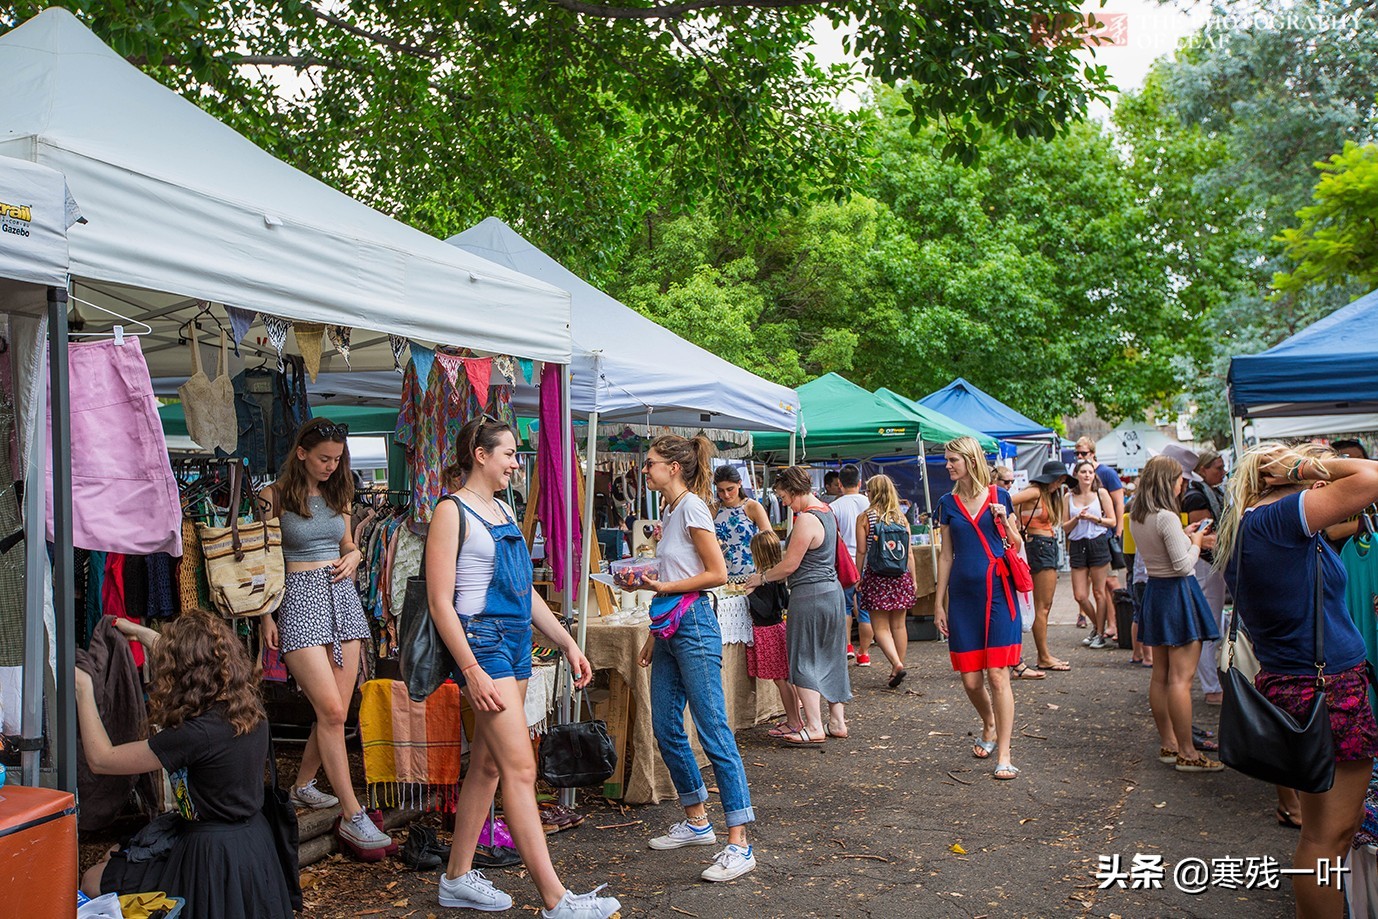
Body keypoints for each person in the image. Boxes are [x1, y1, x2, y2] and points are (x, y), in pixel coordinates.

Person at [426, 417, 619, 917]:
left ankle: (456, 878)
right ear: (480, 454)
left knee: (490, 765)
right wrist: (469, 669)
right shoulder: (452, 511)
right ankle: (556, 900)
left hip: (514, 643)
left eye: (516, 453)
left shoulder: (504, 508)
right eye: (509, 453)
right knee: (521, 768)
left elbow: (524, 592)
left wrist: (566, 643)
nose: (516, 462)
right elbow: (440, 603)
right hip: (482, 645)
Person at [1215, 443, 1378, 918]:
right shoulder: (1278, 519)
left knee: (1327, 835)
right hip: (1325, 692)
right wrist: (1303, 467)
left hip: (1310, 687)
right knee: (1328, 839)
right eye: (1309, 459)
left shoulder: (1258, 523)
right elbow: (1371, 477)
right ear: (1281, 473)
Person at [77, 611, 294, 919]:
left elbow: (102, 759)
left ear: (183, 672)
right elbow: (195, 655)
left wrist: (83, 689)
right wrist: (137, 632)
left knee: (92, 879)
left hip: (207, 856)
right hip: (252, 844)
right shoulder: (246, 707)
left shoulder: (193, 735)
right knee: (114, 853)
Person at [258, 418, 393, 855]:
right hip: (297, 600)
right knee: (332, 710)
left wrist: (354, 559)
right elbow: (260, 562)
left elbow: (348, 545)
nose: (332, 466)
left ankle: (302, 785)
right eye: (324, 458)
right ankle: (353, 815)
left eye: (337, 459)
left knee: (335, 711)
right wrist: (265, 617)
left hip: (341, 600)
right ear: (301, 453)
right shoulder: (272, 496)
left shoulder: (341, 491)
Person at [637, 434, 758, 883]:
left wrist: (661, 588)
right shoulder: (670, 511)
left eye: (650, 463)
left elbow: (716, 573)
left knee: (713, 730)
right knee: (666, 726)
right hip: (669, 628)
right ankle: (696, 821)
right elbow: (675, 570)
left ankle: (740, 843)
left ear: (673, 467)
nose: (645, 470)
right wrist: (654, 632)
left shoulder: (691, 507)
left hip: (695, 627)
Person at [933, 436, 1024, 781]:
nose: (948, 466)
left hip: (999, 592)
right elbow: (945, 555)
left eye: (952, 460)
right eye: (947, 460)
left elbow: (1016, 544)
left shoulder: (1000, 497)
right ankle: (988, 722)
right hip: (963, 597)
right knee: (971, 680)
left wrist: (1006, 520)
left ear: (969, 461)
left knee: (998, 675)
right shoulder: (947, 503)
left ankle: (1004, 753)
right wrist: (940, 601)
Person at [1129, 455, 1221, 774]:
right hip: (1179, 593)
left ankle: (1169, 744)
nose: (1183, 482)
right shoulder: (1166, 516)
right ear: (1168, 482)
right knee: (1181, 680)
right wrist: (1195, 541)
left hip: (1157, 592)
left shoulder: (1138, 516)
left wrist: (1185, 533)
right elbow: (1183, 565)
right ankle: (1188, 753)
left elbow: (1161, 548)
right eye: (1179, 477)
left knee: (1161, 676)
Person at [747, 465, 852, 743]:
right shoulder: (827, 512)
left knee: (803, 659)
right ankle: (837, 722)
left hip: (810, 596)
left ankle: (815, 727)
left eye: (784, 496)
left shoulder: (806, 519)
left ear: (794, 491)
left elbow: (790, 566)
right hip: (832, 594)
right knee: (831, 656)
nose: (783, 502)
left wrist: (761, 578)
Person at [1174, 445, 1228, 706]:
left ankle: (1213, 684)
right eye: (1218, 468)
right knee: (1210, 626)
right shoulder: (1197, 497)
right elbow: (1206, 537)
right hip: (1205, 565)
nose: (1223, 472)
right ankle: (1211, 687)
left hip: (1211, 565)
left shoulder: (1209, 492)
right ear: (1203, 470)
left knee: (1214, 624)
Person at [854, 473, 917, 688]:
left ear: (871, 492)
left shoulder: (865, 517)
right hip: (900, 576)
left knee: (879, 626)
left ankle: (896, 664)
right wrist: (914, 580)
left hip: (876, 575)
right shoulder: (901, 517)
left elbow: (862, 551)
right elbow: (909, 553)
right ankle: (897, 666)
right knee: (899, 625)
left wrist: (858, 576)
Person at [1010, 460, 1072, 673]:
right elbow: (1006, 500)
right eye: (1059, 479)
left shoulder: (1044, 495)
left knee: (1044, 605)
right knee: (1042, 606)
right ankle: (1043, 656)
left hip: (1044, 546)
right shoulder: (1034, 492)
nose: (1060, 483)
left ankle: (1044, 654)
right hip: (1039, 546)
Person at [745, 530, 800, 739]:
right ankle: (793, 718)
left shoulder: (764, 580)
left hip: (769, 632)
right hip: (778, 629)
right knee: (784, 678)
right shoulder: (776, 577)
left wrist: (750, 596)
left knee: (781, 680)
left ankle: (794, 721)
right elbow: (784, 602)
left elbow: (765, 610)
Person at [1076, 437, 1125, 641]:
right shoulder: (1080, 475)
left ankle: (1119, 623)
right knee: (1100, 586)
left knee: (1111, 582)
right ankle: (1109, 625)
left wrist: (1118, 531)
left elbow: (1119, 503)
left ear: (1093, 453)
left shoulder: (1106, 473)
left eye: (1084, 454)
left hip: (1106, 536)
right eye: (1077, 454)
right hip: (1087, 540)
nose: (1080, 457)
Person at [1064, 460, 1116, 650]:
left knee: (1099, 592)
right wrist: (1077, 518)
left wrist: (1095, 519)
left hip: (1098, 542)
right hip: (1077, 544)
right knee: (1080, 595)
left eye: (1090, 472)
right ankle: (1097, 626)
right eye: (1083, 472)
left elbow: (1112, 521)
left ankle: (1100, 634)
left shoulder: (1101, 494)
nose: (1087, 475)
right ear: (1076, 474)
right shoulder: (1068, 497)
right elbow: (1064, 527)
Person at [829, 464, 875, 665]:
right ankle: (864, 653)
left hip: (844, 563)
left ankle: (847, 645)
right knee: (866, 610)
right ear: (860, 483)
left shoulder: (834, 507)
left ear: (839, 484)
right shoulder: (870, 503)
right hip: (868, 562)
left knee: (845, 607)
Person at [713, 464, 772, 581]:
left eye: (730, 489)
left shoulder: (753, 507)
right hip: (721, 577)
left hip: (751, 575)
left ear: (739, 483)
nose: (726, 495)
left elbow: (769, 541)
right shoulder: (712, 510)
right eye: (721, 490)